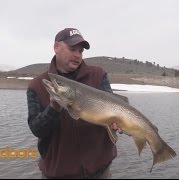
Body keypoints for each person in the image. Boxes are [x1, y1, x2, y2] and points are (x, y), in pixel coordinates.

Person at [26, 28, 121, 179]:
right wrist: (53, 108)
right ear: (56, 47)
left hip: (99, 172)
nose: (78, 55)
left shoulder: (98, 75)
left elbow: (112, 104)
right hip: (57, 174)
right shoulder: (37, 86)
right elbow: (37, 130)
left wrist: (115, 123)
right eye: (72, 49)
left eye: (81, 51)